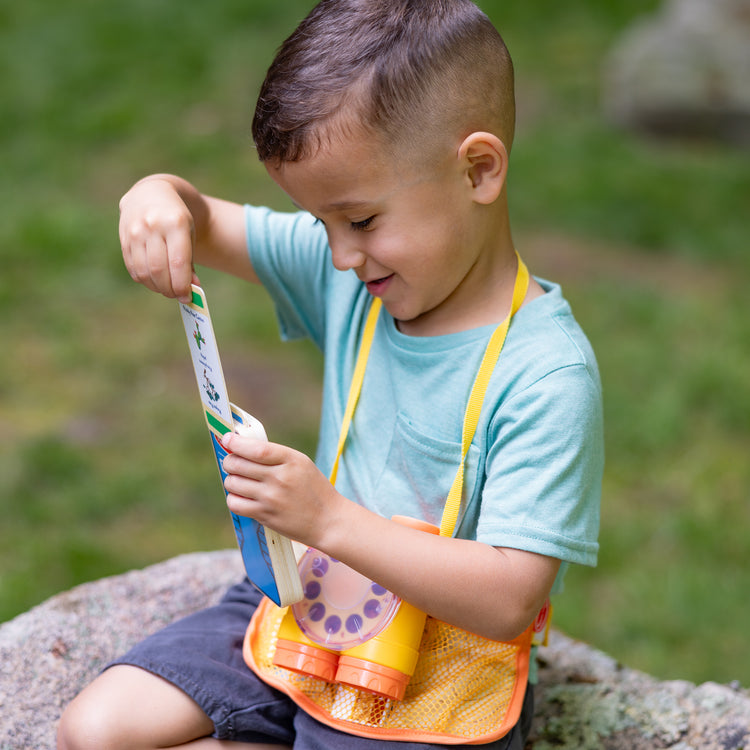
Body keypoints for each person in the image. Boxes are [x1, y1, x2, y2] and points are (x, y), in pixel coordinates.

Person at [58, 0, 603, 748]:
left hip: (439, 674)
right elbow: (205, 220)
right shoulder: (354, 276)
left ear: (478, 170)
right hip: (306, 603)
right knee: (96, 728)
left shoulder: (545, 373)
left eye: (361, 222)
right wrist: (156, 195)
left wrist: (329, 520)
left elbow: (510, 597)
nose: (341, 255)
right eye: (321, 224)